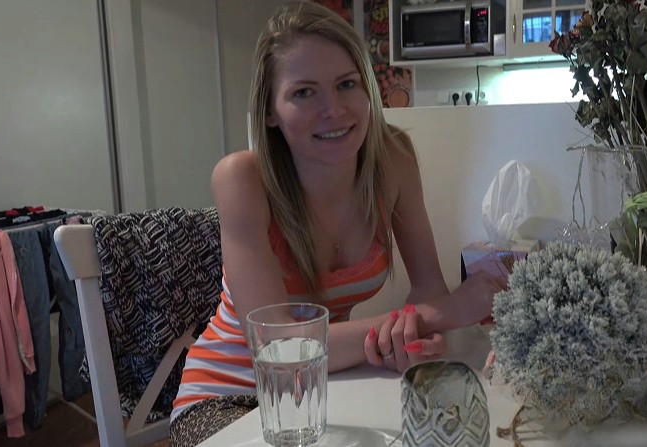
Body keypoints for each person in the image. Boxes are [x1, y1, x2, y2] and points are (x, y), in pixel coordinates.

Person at [169, 2, 504, 445]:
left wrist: (412, 338)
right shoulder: (241, 179)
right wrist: (437, 315)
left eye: (347, 84)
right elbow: (279, 349)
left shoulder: (394, 161)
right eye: (304, 92)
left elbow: (428, 287)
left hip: (329, 389)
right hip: (227, 398)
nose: (334, 109)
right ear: (270, 110)